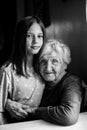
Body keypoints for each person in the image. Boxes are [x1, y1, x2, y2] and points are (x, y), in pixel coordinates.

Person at [0, 16, 46, 125]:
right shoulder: (8, 71)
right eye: (29, 36)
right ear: (20, 37)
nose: (36, 41)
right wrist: (6, 103)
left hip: (39, 125)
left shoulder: (43, 67)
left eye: (40, 36)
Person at [32, 39, 87, 126]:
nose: (48, 68)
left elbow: (68, 116)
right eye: (43, 62)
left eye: (54, 61)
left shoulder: (72, 82)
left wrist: (34, 111)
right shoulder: (38, 81)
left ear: (64, 64)